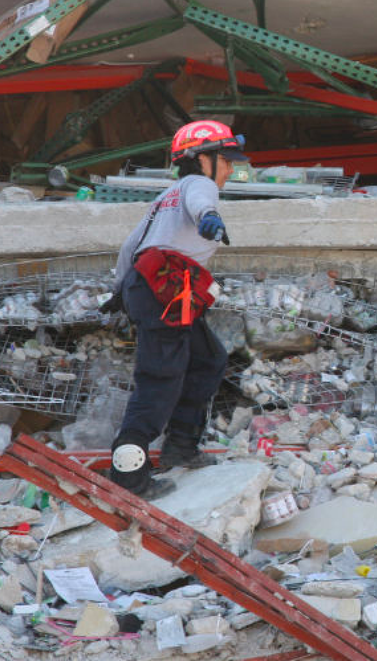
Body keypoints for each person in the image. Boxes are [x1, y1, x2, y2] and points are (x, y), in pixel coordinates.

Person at [108, 119, 248, 498]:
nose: (231, 169)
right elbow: (202, 201)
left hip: (151, 285)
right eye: (227, 159)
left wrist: (120, 289)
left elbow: (130, 245)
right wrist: (209, 219)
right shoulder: (199, 186)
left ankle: (181, 446)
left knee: (208, 359)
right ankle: (128, 476)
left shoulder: (166, 197)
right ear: (204, 158)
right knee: (160, 377)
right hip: (163, 289)